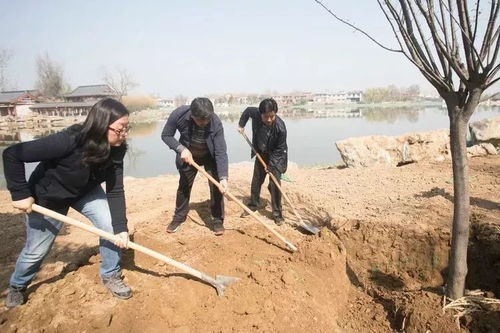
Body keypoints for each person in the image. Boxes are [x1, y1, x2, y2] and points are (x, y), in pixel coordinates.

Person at [2, 98, 133, 309]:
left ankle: (110, 274)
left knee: (110, 227)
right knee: (36, 250)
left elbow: (115, 189)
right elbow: (11, 155)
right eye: (120, 129)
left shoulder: (116, 149)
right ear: (102, 125)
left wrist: (121, 227)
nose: (124, 134)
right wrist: (19, 192)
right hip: (49, 199)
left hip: (85, 191)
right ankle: (17, 286)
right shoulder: (69, 140)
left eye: (127, 128)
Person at [161, 97, 228, 236]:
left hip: (210, 155)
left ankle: (217, 219)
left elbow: (221, 151)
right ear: (192, 115)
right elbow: (166, 135)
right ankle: (179, 217)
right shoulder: (178, 114)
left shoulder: (215, 122)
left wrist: (223, 177)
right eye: (200, 120)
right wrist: (181, 149)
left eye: (207, 120)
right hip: (188, 155)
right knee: (184, 185)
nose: (204, 123)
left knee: (216, 186)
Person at [238, 98, 288, 225]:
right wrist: (241, 125)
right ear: (260, 114)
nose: (269, 119)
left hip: (277, 156)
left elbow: (279, 150)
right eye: (266, 117)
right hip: (261, 152)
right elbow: (247, 111)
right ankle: (253, 205)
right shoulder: (255, 113)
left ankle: (277, 214)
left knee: (275, 183)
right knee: (256, 180)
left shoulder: (281, 128)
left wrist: (271, 166)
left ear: (275, 113)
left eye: (272, 116)